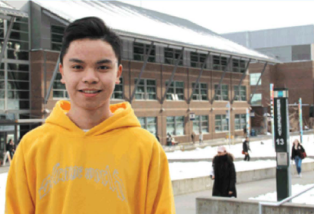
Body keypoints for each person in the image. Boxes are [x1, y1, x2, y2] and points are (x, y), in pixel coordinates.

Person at [6, 17, 175, 214]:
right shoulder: (32, 147)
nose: (90, 78)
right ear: (62, 71)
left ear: (118, 73)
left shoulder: (146, 148)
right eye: (77, 67)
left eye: (102, 67)